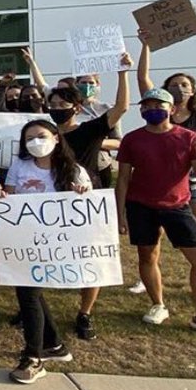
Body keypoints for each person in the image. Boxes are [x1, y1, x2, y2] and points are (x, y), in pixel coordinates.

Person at [116, 88, 196, 332]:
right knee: (148, 256)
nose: (152, 110)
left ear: (172, 109)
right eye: (147, 106)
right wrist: (120, 213)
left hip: (178, 205)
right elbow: (122, 179)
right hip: (140, 205)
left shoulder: (189, 137)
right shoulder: (132, 138)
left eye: (158, 105)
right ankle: (158, 304)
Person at [47, 51, 132, 339]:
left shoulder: (90, 130)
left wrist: (122, 72)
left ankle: (85, 314)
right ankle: (33, 309)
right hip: (52, 201)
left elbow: (121, 107)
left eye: (64, 104)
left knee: (89, 261)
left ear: (77, 106)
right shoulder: (43, 135)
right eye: (53, 104)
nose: (58, 108)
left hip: (87, 201)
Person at [3, 121, 93, 384]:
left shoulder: (74, 171)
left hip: (55, 244)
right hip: (24, 241)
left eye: (40, 136)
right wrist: (1, 195)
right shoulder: (19, 166)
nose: (35, 142)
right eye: (29, 138)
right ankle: (54, 344)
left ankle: (34, 357)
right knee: (31, 293)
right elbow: (9, 197)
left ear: (56, 138)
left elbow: (87, 208)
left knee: (29, 295)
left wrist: (80, 194)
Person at [137, 32, 196, 213]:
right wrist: (145, 46)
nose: (179, 88)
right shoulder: (159, 113)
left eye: (184, 85)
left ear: (193, 91)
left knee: (191, 229)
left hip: (193, 181)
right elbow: (142, 78)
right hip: (164, 179)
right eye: (173, 84)